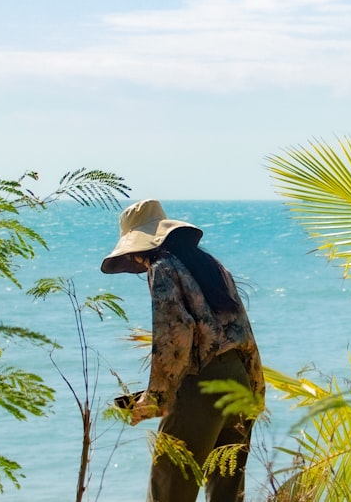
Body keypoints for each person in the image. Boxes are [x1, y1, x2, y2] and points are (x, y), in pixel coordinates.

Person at [101, 199, 264, 502]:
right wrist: (255, 389)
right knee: (227, 494)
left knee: (170, 490)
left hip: (200, 388)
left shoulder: (162, 269)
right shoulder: (213, 266)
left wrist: (154, 401)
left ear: (137, 250)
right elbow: (243, 330)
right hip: (238, 382)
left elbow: (174, 340)